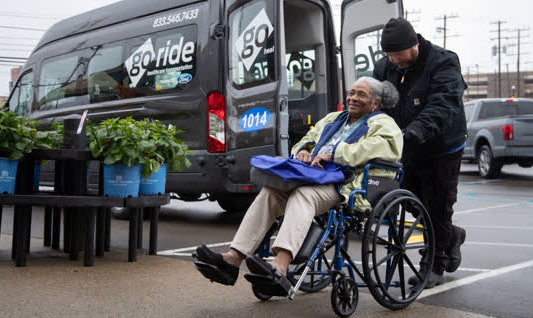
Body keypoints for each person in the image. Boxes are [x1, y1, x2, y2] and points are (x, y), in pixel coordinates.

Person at [194, 76, 403, 293]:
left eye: (362, 95)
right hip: (314, 175)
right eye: (352, 92)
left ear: (375, 103)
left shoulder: (383, 123)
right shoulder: (335, 118)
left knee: (304, 195)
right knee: (270, 192)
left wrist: (335, 154)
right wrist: (302, 150)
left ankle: (281, 264)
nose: (353, 98)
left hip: (346, 183)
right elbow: (309, 138)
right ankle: (233, 258)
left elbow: (382, 147)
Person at [373, 17, 467, 288]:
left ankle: (434, 266)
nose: (394, 61)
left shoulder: (443, 61)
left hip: (442, 147)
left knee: (438, 205)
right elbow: (375, 99)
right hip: (404, 146)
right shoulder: (385, 67)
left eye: (398, 55)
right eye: (389, 56)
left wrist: (415, 131)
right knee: (413, 202)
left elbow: (443, 103)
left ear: (414, 44)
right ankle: (452, 236)